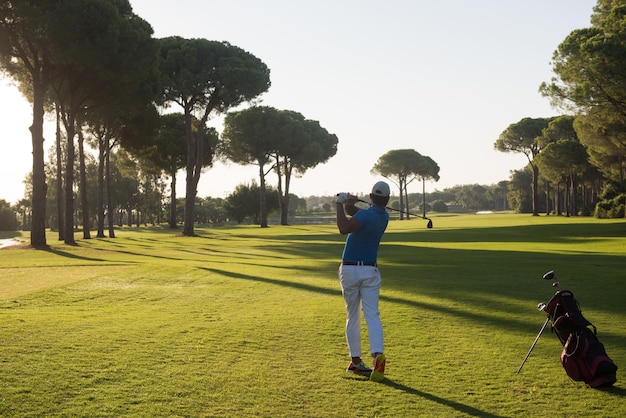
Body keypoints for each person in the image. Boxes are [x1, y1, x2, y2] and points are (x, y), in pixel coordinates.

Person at [335, 180, 390, 382]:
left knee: (353, 315)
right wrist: (349, 202)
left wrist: (339, 204)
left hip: (350, 270)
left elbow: (344, 227)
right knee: (372, 314)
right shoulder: (383, 217)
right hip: (371, 271)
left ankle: (356, 362)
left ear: (371, 196)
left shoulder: (365, 216)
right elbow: (357, 215)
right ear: (388, 199)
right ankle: (377, 355)